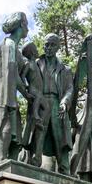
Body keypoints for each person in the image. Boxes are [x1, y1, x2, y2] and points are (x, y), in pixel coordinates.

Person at [0, 12, 32, 163]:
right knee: (7, 121)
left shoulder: (13, 47)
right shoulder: (9, 44)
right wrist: (25, 92)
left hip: (8, 87)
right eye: (26, 24)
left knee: (14, 125)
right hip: (3, 88)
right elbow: (10, 71)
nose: (28, 29)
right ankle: (2, 158)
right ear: (21, 25)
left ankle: (8, 159)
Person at [32, 33, 73, 173]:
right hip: (41, 102)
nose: (48, 48)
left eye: (52, 45)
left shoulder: (65, 69)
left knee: (59, 137)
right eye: (46, 44)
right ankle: (33, 165)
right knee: (38, 135)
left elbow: (69, 89)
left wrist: (65, 102)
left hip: (57, 103)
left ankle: (64, 169)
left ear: (58, 47)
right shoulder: (36, 64)